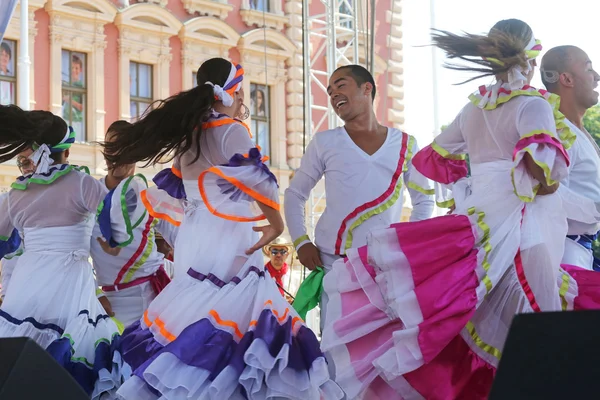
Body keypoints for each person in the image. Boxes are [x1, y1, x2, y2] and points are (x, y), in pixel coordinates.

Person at [320, 19, 600, 399]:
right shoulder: (533, 105)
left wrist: (468, 187)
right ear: (530, 61)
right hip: (525, 226)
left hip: (477, 232)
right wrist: (545, 178)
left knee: (485, 318)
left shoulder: (474, 110)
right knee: (542, 317)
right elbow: (542, 174)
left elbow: (427, 160)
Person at [102, 58, 341, 399]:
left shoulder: (188, 139)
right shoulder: (231, 131)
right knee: (243, 315)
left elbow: (184, 194)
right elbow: (260, 181)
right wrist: (275, 225)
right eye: (240, 91)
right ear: (226, 94)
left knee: (198, 314)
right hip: (231, 235)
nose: (243, 99)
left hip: (196, 236)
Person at [284, 64, 435, 329]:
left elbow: (424, 201)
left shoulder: (405, 144)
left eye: (340, 85)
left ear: (367, 88)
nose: (333, 96)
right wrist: (301, 242)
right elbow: (295, 194)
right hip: (335, 265)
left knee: (384, 349)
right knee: (337, 349)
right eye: (329, 92)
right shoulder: (324, 142)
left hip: (385, 268)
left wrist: (405, 244)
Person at [0, 106, 129, 398]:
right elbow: (114, 224)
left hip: (26, 285)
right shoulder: (82, 183)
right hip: (69, 282)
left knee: (19, 355)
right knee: (70, 356)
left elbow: (2, 242)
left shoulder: (16, 194)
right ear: (67, 152)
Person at [90, 120, 171, 328]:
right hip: (107, 302)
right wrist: (94, 292)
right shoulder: (89, 195)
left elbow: (184, 238)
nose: (115, 157)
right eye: (110, 149)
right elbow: (73, 253)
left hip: (151, 297)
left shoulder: (152, 196)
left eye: (123, 149)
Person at [540, 46, 600, 270]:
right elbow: (548, 194)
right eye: (589, 68)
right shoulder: (554, 131)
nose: (597, 77)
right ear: (566, 78)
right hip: (565, 257)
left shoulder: (574, 131)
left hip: (581, 251)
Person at [262, 237, 294, 302]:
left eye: (282, 252)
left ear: (287, 254)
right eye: (274, 251)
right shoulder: (261, 275)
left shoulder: (293, 276)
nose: (279, 255)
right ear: (269, 253)